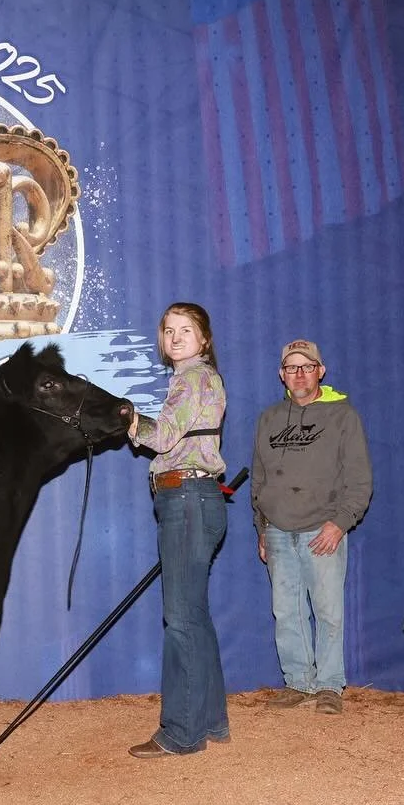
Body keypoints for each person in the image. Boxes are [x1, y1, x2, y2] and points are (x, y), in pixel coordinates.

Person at [125, 302, 230, 758]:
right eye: (168, 330)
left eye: (185, 330)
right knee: (195, 617)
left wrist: (126, 418)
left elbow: (165, 437)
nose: (175, 337)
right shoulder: (196, 378)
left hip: (186, 498)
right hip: (195, 498)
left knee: (181, 620)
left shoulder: (191, 380)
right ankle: (209, 721)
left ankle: (181, 733)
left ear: (204, 338)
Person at [252, 339, 372, 715]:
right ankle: (298, 681)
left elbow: (359, 480)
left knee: (328, 610)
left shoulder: (343, 416)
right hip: (278, 529)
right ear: (281, 375)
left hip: (323, 529)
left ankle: (330, 686)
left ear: (321, 371)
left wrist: (339, 523)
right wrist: (262, 527)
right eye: (291, 367)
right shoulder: (269, 418)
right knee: (286, 611)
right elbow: (259, 478)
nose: (299, 374)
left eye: (307, 367)